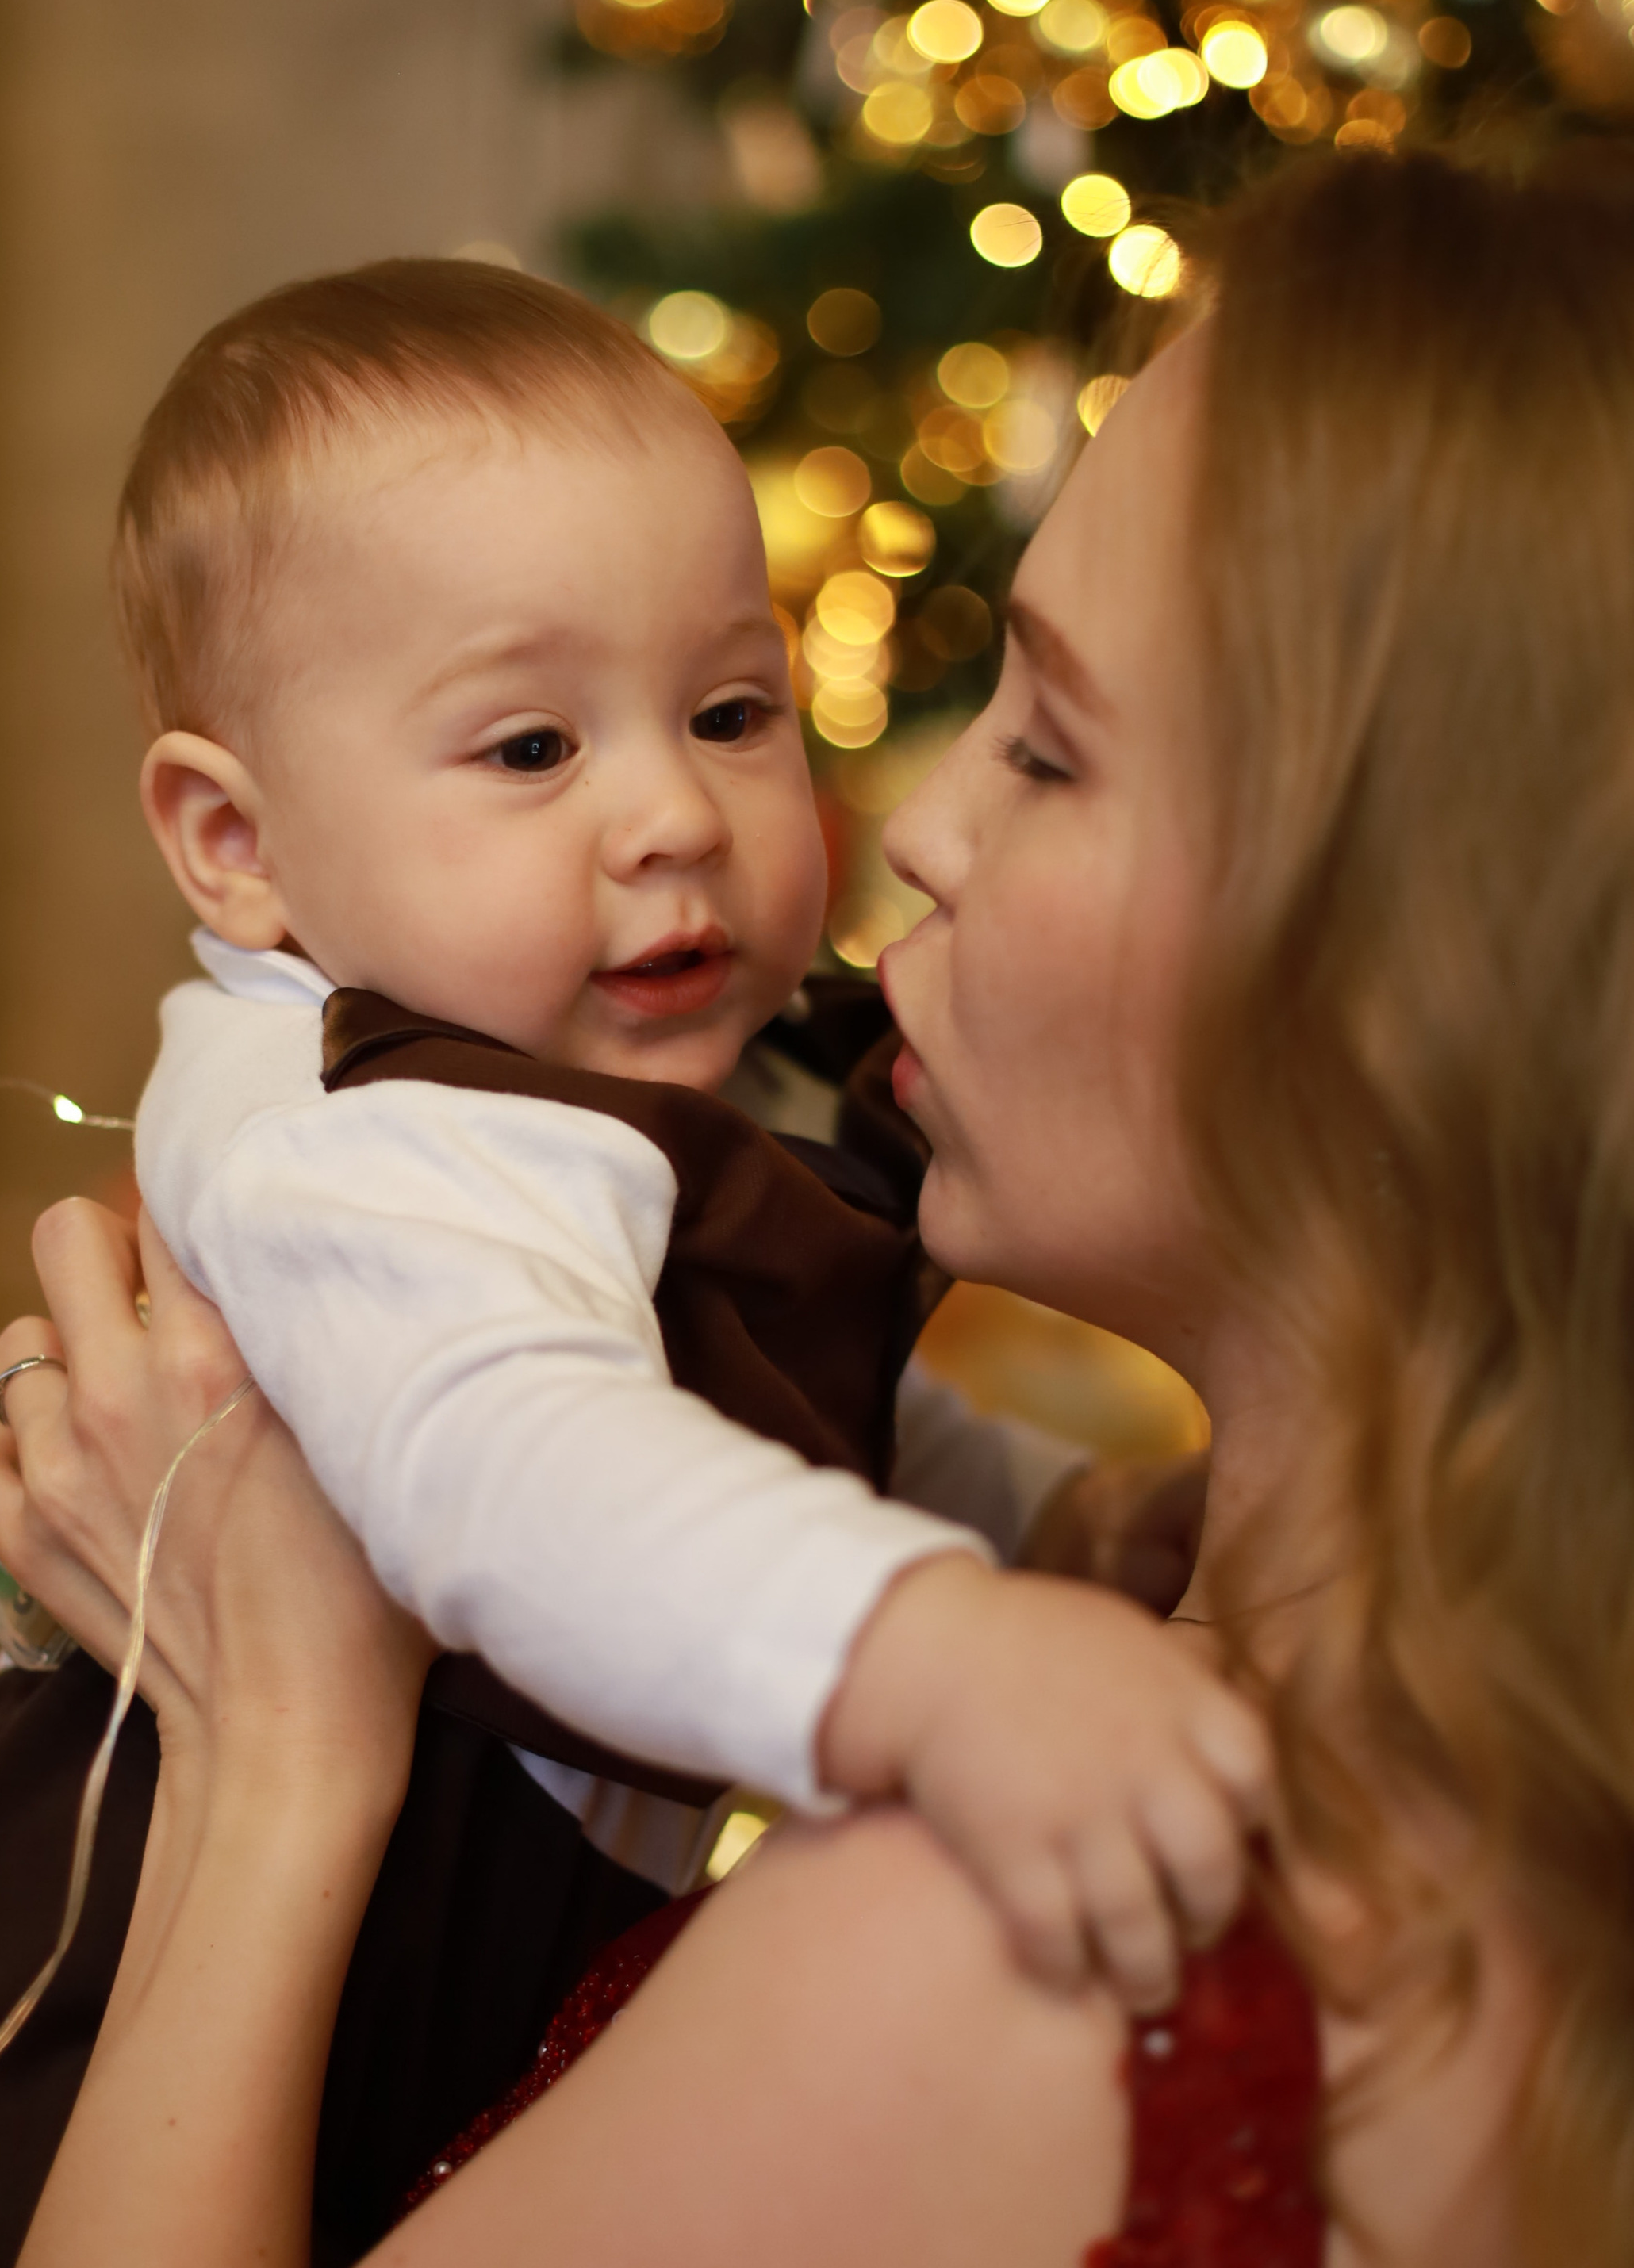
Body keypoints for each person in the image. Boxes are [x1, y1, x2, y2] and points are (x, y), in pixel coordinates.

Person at [0, 146, 1634, 2268]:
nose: (907, 818)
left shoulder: (1035, 1921)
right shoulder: (1518, 1839)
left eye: (1052, 743)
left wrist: (285, 1759)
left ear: (1404, 975)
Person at [119, 255, 1260, 1980]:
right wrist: (939, 1657)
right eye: (530, 750)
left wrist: (1045, 1524)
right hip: (108, 2000)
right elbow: (531, 1472)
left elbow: (734, 1396)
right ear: (237, 844)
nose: (676, 812)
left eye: (730, 714)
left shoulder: (586, 1073)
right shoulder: (359, 1134)